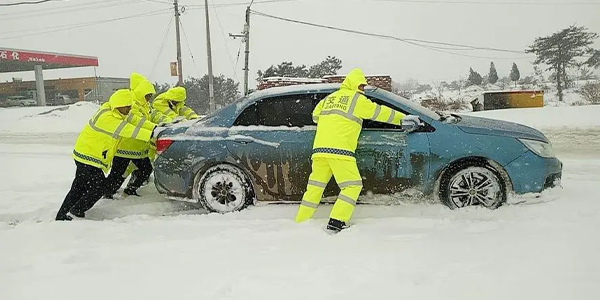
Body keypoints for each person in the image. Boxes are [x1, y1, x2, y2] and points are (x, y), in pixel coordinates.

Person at [294, 68, 419, 233]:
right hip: (340, 150)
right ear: (353, 84)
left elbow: (315, 116)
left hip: (319, 150)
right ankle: (337, 222)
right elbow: (381, 113)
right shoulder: (357, 100)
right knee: (352, 186)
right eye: (361, 85)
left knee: (315, 187)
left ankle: (301, 221)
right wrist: (403, 118)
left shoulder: (329, 99)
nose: (362, 89)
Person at [55, 89, 165, 221]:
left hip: (89, 154)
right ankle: (76, 210)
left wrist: (155, 128)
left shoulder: (117, 111)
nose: (130, 110)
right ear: (120, 105)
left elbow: (136, 120)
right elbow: (129, 130)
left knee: (80, 186)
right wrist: (152, 134)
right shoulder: (107, 117)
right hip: (89, 156)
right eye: (128, 107)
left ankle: (64, 214)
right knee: (98, 187)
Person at [103, 73, 161, 198]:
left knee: (145, 170)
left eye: (150, 95)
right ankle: (107, 193)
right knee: (117, 174)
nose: (149, 98)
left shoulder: (145, 105)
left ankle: (129, 190)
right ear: (141, 93)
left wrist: (155, 127)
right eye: (147, 95)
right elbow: (137, 122)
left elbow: (144, 121)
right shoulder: (133, 105)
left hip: (137, 147)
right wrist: (151, 131)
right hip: (125, 147)